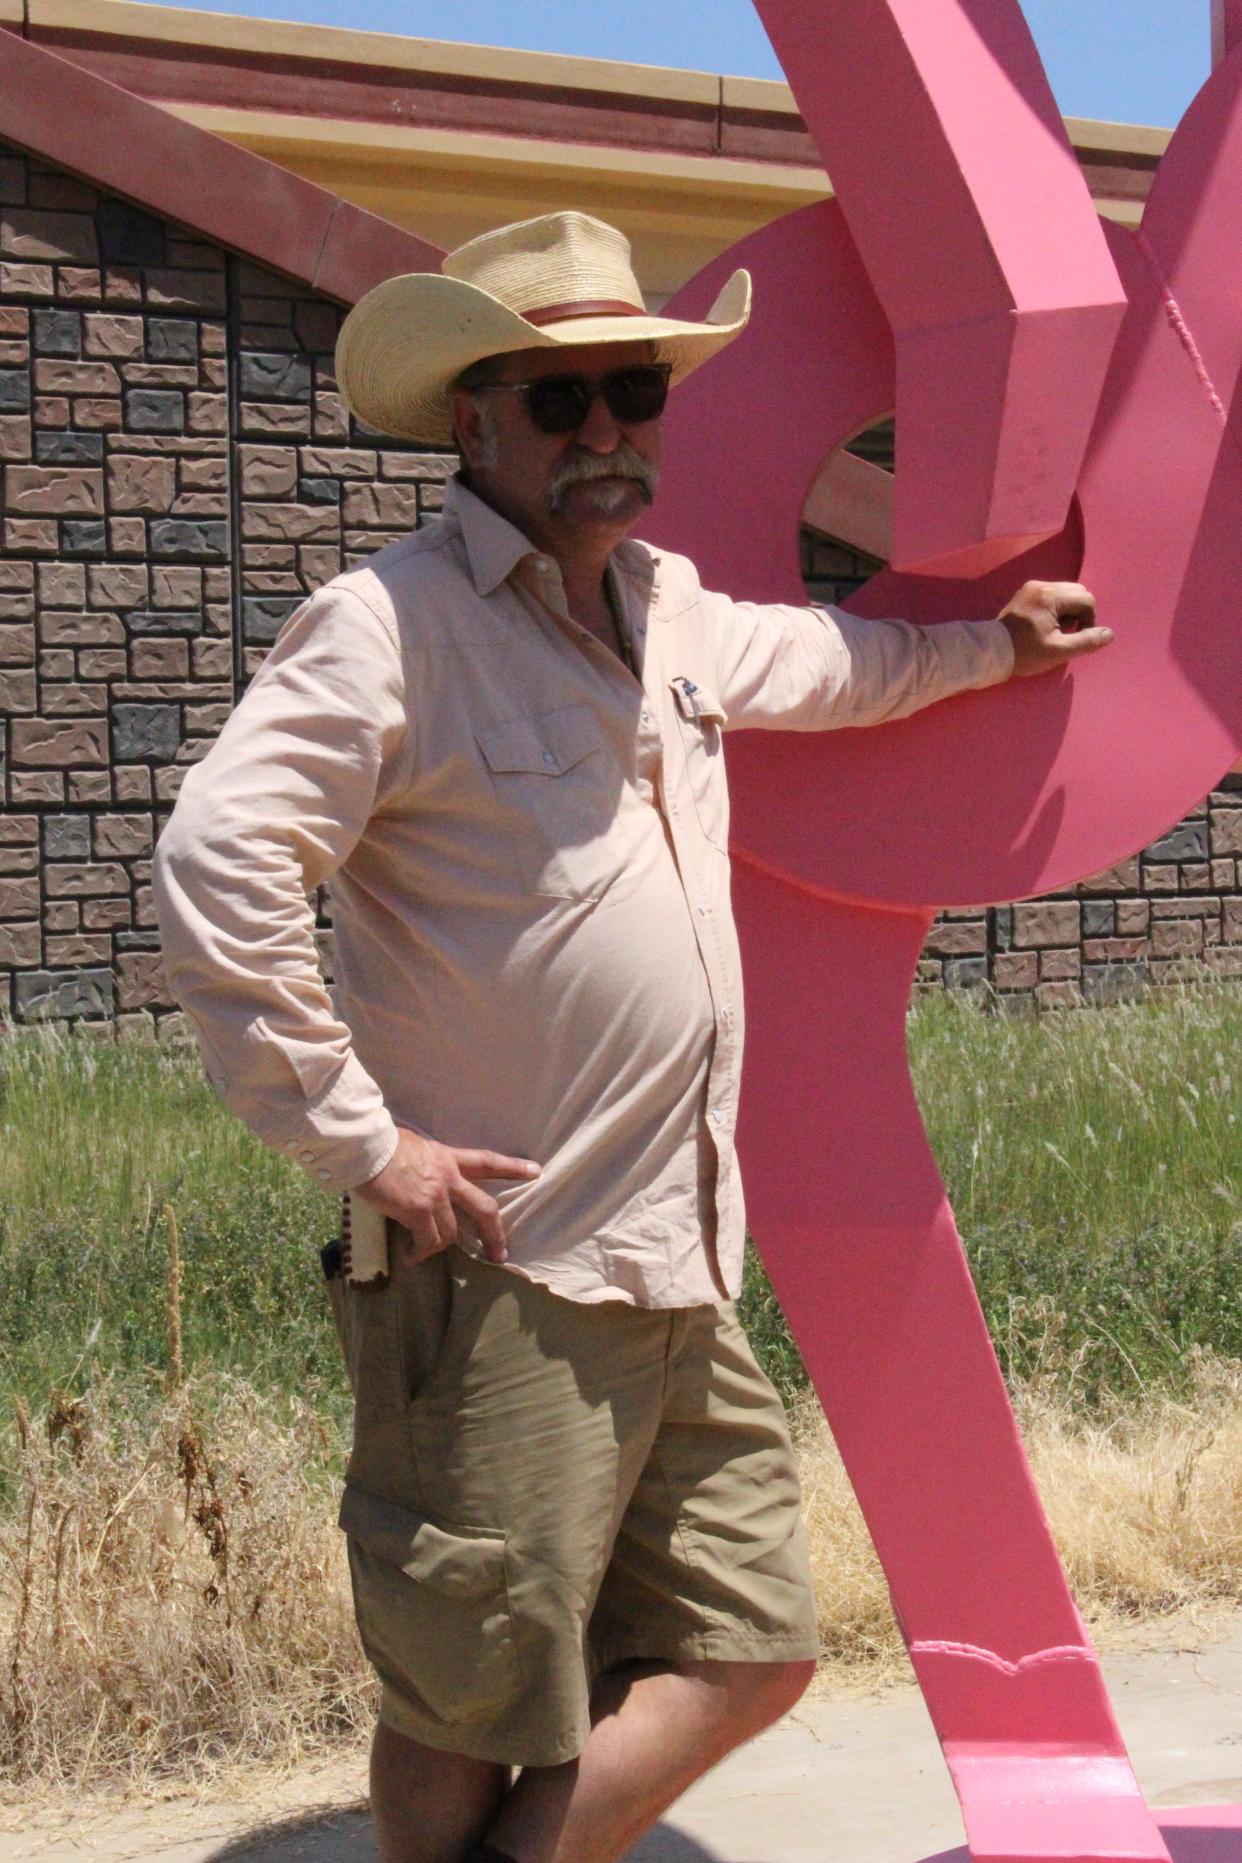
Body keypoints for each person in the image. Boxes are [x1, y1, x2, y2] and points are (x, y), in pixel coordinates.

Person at [153, 211, 1112, 1863]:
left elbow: (828, 660)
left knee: (754, 1643)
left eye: (629, 394)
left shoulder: (665, 608)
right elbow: (217, 863)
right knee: (469, 1697)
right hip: (500, 1269)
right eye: (556, 398)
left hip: (676, 1249)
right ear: (474, 419)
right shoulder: (387, 626)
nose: (603, 431)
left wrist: (988, 647)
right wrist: (362, 1143)